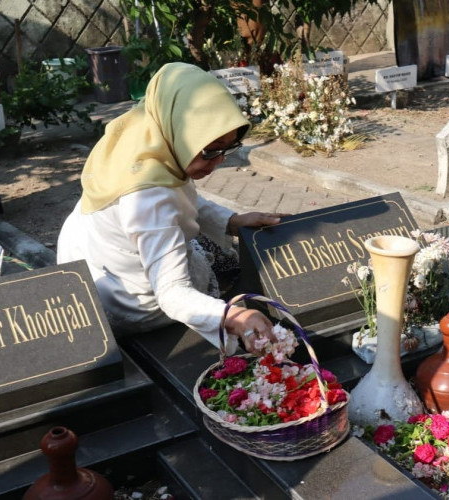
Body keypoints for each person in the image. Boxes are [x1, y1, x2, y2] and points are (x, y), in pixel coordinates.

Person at [57, 62, 284, 355]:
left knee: (208, 245)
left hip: (89, 261)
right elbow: (173, 293)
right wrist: (233, 316)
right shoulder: (148, 198)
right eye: (210, 150)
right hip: (130, 301)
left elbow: (179, 196)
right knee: (211, 259)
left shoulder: (144, 138)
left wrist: (232, 221)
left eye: (228, 149)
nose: (219, 162)